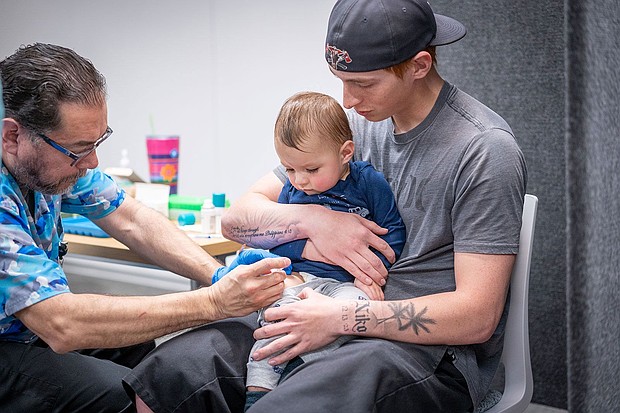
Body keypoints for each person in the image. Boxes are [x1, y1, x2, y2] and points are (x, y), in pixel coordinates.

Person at [124, 0, 527, 412]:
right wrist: (313, 221)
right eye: (341, 81)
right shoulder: (354, 125)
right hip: (314, 301)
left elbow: (478, 316)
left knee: (288, 402)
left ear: (420, 65)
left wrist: (339, 317)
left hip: (424, 353)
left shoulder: (483, 148)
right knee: (169, 375)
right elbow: (238, 220)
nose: (348, 101)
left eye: (364, 84)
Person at [0, 43, 291, 412]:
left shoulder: (48, 164)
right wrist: (216, 302)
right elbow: (61, 323)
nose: (92, 161)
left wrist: (218, 275)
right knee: (120, 395)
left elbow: (131, 219)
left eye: (98, 141)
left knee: (139, 358)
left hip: (27, 333)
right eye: (79, 149)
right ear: (12, 136)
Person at [210, 91, 406, 410]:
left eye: (312, 170)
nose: (300, 181)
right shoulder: (292, 189)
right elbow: (274, 238)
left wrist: (372, 271)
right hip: (299, 278)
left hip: (347, 284)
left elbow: (391, 231)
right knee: (276, 317)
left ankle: (306, 375)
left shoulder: (369, 184)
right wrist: (309, 246)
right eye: (289, 169)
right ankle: (258, 391)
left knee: (354, 315)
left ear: (345, 153)